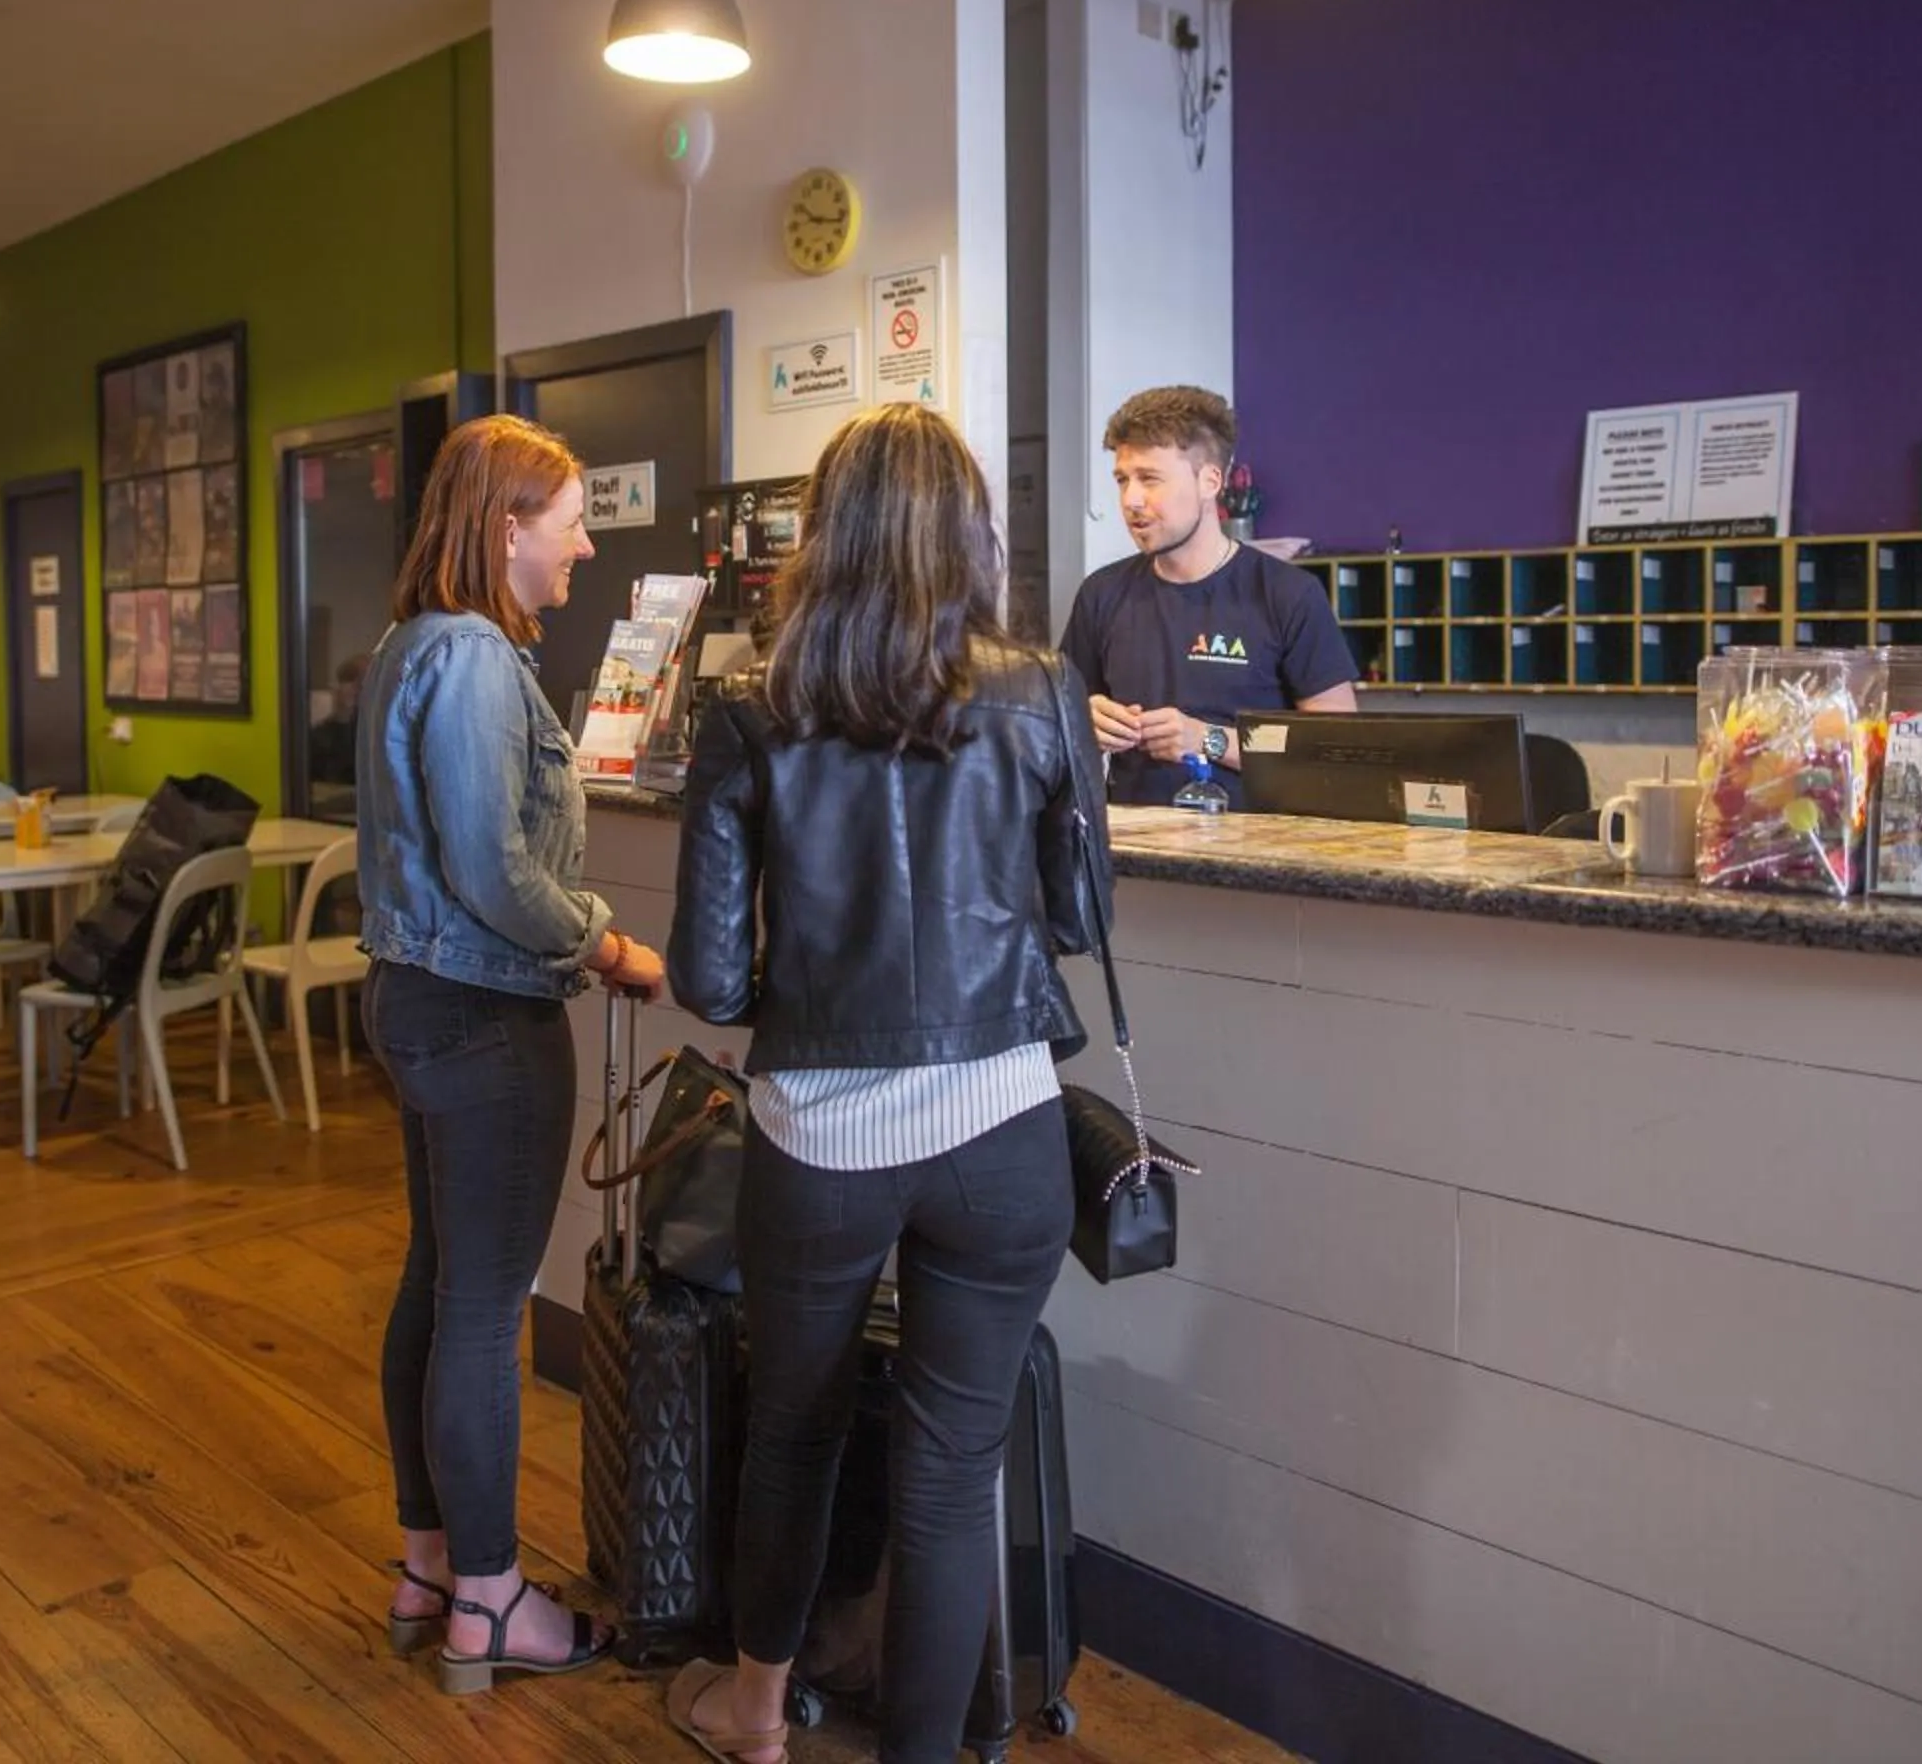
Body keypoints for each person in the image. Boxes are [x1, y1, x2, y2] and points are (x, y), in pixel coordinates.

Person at [665, 402, 1110, 1764]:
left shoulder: (751, 703)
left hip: (821, 1138)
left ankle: (753, 1711)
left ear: (821, 536)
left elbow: (709, 979)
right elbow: (1079, 917)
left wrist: (801, 988)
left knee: (792, 1432)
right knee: (947, 1469)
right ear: (972, 534)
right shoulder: (1039, 692)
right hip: (1004, 1137)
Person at [356, 414, 665, 1693]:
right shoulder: (478, 658)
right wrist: (603, 943)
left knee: (437, 1288)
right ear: (506, 528)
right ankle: (491, 1599)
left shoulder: (405, 645)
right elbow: (495, 870)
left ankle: (430, 1561)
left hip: (416, 1002)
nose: (585, 545)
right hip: (487, 1015)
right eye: (571, 519)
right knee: (484, 1316)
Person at [1060, 385, 1360, 806]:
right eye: (1122, 480)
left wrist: (1209, 740)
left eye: (1150, 479)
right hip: (1132, 854)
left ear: (1210, 481)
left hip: (1256, 855)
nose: (1131, 500)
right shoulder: (1101, 594)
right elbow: (1054, 728)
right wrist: (1083, 722)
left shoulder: (1286, 594)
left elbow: (1339, 751)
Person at [305, 652, 368, 795]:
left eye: (363, 681)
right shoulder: (318, 736)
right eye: (350, 679)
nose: (357, 687)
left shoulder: (380, 736)